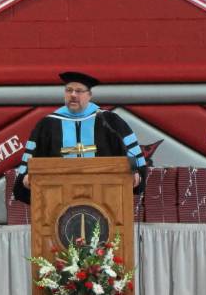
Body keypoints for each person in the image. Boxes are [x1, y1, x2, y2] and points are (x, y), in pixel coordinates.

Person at [13, 71, 146, 204]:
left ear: (89, 95)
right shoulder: (48, 124)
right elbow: (31, 162)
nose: (73, 95)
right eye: (69, 90)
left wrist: (136, 174)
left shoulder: (109, 121)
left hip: (105, 199)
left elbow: (133, 155)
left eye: (79, 91)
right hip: (57, 200)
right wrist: (26, 177)